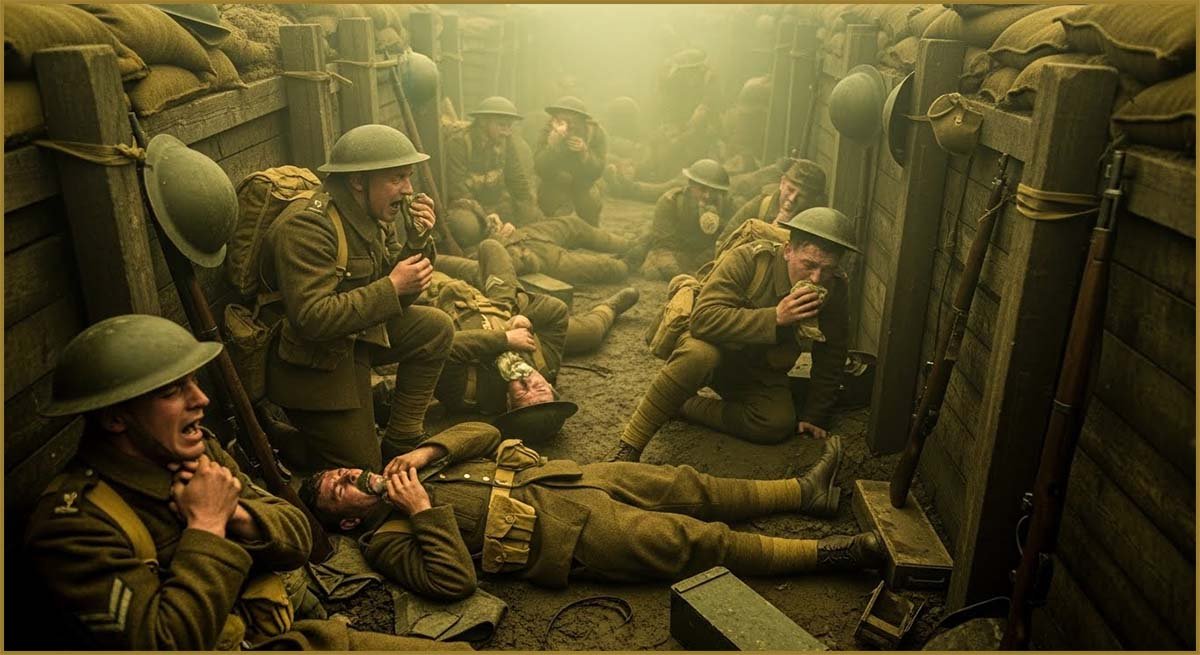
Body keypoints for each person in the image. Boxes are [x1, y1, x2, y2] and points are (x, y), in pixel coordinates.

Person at [24, 314, 466, 651]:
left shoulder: (198, 453)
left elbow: (297, 537)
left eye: (194, 382)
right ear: (114, 417)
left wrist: (236, 513)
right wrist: (207, 528)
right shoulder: (73, 525)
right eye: (171, 392)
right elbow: (164, 642)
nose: (201, 400)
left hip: (279, 631)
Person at [299, 422, 882, 602]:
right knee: (694, 539)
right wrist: (422, 509)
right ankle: (837, 555)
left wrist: (426, 453)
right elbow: (452, 582)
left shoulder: (411, 467)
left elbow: (485, 430)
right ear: (349, 521)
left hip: (569, 479)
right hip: (568, 535)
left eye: (344, 470)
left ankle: (805, 494)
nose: (351, 475)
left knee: (688, 484)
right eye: (339, 489)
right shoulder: (387, 536)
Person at [260, 124, 454, 473]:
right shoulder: (308, 227)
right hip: (308, 361)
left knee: (435, 327)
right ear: (358, 182)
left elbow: (395, 293)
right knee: (362, 468)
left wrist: (417, 242)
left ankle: (402, 438)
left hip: (351, 338)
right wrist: (392, 287)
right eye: (397, 178)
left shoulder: (372, 214)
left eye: (408, 177)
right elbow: (312, 318)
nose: (408, 190)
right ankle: (277, 436)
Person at [608, 207, 857, 463]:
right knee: (699, 355)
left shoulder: (835, 288)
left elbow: (833, 351)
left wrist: (814, 415)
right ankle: (629, 446)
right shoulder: (749, 260)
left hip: (757, 366)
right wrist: (775, 317)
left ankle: (680, 404)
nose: (817, 278)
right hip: (712, 347)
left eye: (827, 270)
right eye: (809, 265)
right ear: (788, 251)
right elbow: (703, 320)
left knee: (776, 423)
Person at [417, 239, 638, 438]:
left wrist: (505, 339)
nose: (529, 382)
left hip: (438, 294)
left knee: (419, 266)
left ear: (508, 403)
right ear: (550, 387)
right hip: (501, 302)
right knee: (589, 333)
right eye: (540, 389)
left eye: (523, 393)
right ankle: (611, 307)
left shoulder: (467, 394)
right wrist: (524, 318)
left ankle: (463, 270)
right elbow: (557, 312)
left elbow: (446, 345)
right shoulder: (545, 365)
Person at [443, 199, 632, 285]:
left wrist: (494, 224)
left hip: (526, 234)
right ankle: (631, 260)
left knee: (572, 224)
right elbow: (520, 263)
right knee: (607, 268)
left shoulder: (462, 216)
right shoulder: (471, 259)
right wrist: (496, 237)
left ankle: (627, 244)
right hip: (539, 257)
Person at [444, 96, 542, 226]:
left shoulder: (505, 141)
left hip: (496, 204)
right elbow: (458, 190)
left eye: (509, 126)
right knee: (465, 226)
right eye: (502, 125)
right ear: (483, 122)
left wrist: (528, 207)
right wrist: (485, 216)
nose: (507, 132)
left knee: (532, 216)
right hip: (467, 206)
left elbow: (516, 179)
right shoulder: (459, 143)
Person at [637, 158, 735, 280]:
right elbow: (664, 246)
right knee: (653, 270)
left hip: (708, 255)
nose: (707, 196)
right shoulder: (670, 202)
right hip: (677, 251)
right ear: (691, 184)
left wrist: (718, 222)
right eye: (702, 189)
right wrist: (682, 276)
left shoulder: (727, 205)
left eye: (714, 191)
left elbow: (733, 238)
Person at [715, 158, 828, 251]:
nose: (792, 198)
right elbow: (724, 243)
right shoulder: (761, 205)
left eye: (802, 196)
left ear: (812, 200)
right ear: (782, 183)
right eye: (790, 189)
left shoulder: (814, 225)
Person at [534, 96, 608, 226]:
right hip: (554, 182)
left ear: (583, 122)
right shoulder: (547, 131)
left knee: (590, 206)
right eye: (563, 120)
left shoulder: (595, 133)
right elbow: (539, 169)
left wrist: (585, 153)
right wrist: (552, 148)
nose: (569, 126)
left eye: (574, 121)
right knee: (549, 208)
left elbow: (598, 171)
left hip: (584, 183)